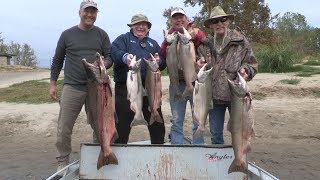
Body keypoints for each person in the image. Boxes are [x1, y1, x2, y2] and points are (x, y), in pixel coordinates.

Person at [49, 0, 113, 172]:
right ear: (80, 12)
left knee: (99, 125)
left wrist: (101, 65)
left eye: (94, 12)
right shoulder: (67, 34)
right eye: (87, 11)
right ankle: (62, 161)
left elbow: (109, 58)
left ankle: (99, 156)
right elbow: (57, 60)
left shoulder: (102, 34)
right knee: (64, 127)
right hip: (72, 86)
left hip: (97, 88)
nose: (90, 15)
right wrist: (53, 83)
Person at [197, 6, 258, 144]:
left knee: (241, 131)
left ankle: (240, 160)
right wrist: (198, 65)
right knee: (216, 135)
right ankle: (218, 163)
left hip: (236, 96)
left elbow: (252, 64)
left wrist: (246, 71)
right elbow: (198, 70)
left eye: (222, 20)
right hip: (213, 97)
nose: (219, 24)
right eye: (215, 21)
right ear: (211, 25)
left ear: (228, 21)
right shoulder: (204, 45)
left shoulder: (241, 42)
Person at [111, 14, 166, 144]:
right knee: (122, 125)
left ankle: (158, 148)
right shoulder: (123, 39)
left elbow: (163, 63)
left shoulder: (153, 43)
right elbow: (114, 52)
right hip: (126, 89)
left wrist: (160, 61)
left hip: (150, 89)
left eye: (144, 24)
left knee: (157, 124)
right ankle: (119, 152)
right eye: (137, 24)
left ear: (148, 27)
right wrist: (125, 57)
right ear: (132, 26)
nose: (141, 27)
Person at [161, 7, 206, 144]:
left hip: (196, 82)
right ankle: (176, 147)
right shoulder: (169, 37)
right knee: (176, 119)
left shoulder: (197, 33)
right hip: (176, 83)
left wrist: (189, 35)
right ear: (171, 21)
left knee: (198, 119)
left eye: (181, 17)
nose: (179, 20)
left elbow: (204, 43)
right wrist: (167, 42)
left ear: (187, 19)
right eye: (175, 17)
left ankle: (198, 147)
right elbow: (164, 55)